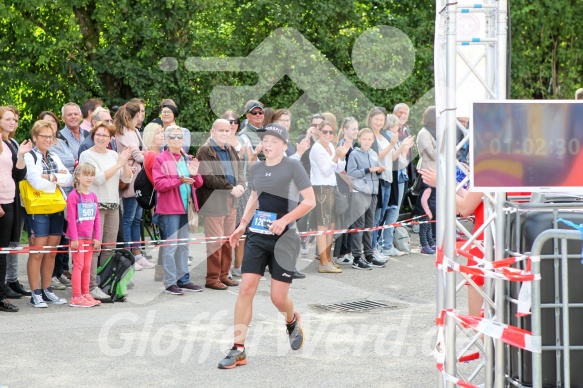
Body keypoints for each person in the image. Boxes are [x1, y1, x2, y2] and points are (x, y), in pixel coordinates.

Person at [219, 123, 315, 369]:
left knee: (277, 297)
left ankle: (292, 319)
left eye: (274, 141)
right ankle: (238, 348)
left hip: (285, 239)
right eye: (266, 141)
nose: (268, 145)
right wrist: (242, 225)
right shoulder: (257, 168)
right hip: (257, 235)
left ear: (284, 145)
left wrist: (284, 220)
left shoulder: (293, 166)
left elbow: (310, 201)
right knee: (246, 288)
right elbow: (254, 197)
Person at [79, 121, 132, 301]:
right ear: (93, 136)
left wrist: (124, 163)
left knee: (109, 247)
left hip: (113, 205)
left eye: (105, 135)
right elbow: (99, 179)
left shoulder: (113, 154)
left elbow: (126, 177)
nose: (101, 138)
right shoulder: (87, 155)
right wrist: (119, 163)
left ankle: (106, 282)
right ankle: (91, 285)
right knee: (95, 247)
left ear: (110, 138)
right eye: (98, 134)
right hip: (95, 206)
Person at [24, 120, 73, 307]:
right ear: (35, 137)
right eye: (43, 136)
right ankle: (35, 292)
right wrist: (56, 180)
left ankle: (47, 290)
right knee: (37, 252)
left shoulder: (54, 155)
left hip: (56, 207)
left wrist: (50, 177)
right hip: (38, 208)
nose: (47, 139)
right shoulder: (30, 156)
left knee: (51, 251)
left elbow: (68, 178)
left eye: (50, 136)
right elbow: (35, 182)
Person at [153, 125, 204, 295]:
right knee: (171, 247)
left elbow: (199, 183)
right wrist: (179, 180)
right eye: (172, 137)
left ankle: (184, 280)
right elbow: (159, 184)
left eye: (179, 137)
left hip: (186, 207)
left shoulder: (187, 158)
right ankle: (170, 283)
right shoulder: (161, 159)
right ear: (167, 140)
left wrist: (195, 175)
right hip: (169, 209)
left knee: (183, 246)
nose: (176, 140)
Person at [196, 119, 245, 290]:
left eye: (227, 130)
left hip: (232, 200)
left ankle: (224, 275)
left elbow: (240, 171)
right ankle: (212, 278)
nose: (225, 133)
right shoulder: (204, 150)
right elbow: (208, 177)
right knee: (215, 242)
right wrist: (231, 188)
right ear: (212, 132)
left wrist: (241, 185)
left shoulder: (231, 149)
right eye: (221, 130)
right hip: (214, 201)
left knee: (227, 240)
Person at [114, 102, 153, 269]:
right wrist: (149, 157)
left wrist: (145, 153)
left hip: (138, 176)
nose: (141, 116)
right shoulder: (124, 131)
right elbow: (138, 153)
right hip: (131, 176)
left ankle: (137, 253)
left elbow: (144, 149)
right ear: (134, 115)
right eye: (140, 114)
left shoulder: (135, 130)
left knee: (137, 218)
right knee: (129, 217)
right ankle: (128, 254)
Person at [0, 106, 31, 312]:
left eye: (16, 120)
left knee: (5, 249)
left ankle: (1, 292)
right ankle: (1, 296)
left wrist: (20, 155)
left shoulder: (11, 142)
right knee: (0, 252)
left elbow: (19, 175)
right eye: (9, 119)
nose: (13, 123)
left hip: (12, 200)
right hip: (1, 202)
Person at [42, 111, 76, 290]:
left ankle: (60, 270)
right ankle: (51, 275)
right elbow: (43, 174)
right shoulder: (43, 146)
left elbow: (69, 172)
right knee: (53, 238)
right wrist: (58, 175)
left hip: (68, 193)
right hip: (52, 196)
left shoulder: (62, 142)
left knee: (65, 236)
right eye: (47, 123)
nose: (51, 126)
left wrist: (60, 175)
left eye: (53, 123)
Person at [309, 120, 349, 273]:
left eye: (330, 132)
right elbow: (326, 171)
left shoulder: (331, 146)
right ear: (318, 131)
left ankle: (328, 259)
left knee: (331, 225)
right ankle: (323, 262)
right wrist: (336, 157)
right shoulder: (317, 149)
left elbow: (338, 168)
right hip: (320, 188)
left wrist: (342, 156)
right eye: (324, 131)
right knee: (323, 225)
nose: (328, 135)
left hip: (331, 187)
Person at [347, 128, 384, 270]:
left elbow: (375, 174)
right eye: (364, 139)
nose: (367, 142)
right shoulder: (354, 154)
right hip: (359, 193)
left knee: (370, 225)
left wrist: (379, 171)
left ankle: (369, 254)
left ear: (373, 141)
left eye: (369, 139)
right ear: (359, 140)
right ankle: (357, 257)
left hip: (373, 193)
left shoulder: (374, 154)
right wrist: (369, 170)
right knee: (359, 225)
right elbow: (351, 173)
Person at [66, 163, 103, 307]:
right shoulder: (73, 196)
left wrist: (97, 237)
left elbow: (97, 218)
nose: (89, 178)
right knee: (78, 266)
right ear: (78, 176)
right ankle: (76, 296)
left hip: (89, 238)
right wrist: (74, 239)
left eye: (91, 175)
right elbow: (71, 218)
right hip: (78, 239)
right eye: (86, 175)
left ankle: (85, 293)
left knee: (87, 266)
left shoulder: (93, 196)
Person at [221, 110, 252, 278]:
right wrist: (238, 157)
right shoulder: (217, 141)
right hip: (225, 190)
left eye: (235, 122)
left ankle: (238, 266)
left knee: (242, 228)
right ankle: (223, 267)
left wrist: (250, 155)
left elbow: (251, 164)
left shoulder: (244, 139)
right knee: (226, 229)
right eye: (229, 121)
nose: (232, 124)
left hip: (243, 187)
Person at [382, 114, 415, 256]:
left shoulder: (388, 138)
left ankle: (386, 245)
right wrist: (404, 148)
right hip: (397, 178)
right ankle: (387, 246)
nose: (399, 128)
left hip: (394, 177)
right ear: (393, 126)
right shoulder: (392, 138)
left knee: (387, 213)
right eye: (397, 125)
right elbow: (400, 162)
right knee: (392, 213)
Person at [368, 107, 395, 266]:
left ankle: (375, 247)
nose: (379, 122)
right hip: (377, 179)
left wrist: (401, 146)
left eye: (381, 120)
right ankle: (371, 250)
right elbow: (376, 156)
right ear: (370, 119)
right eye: (376, 119)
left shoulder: (384, 134)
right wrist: (392, 145)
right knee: (375, 216)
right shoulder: (369, 135)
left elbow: (392, 157)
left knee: (382, 216)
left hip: (388, 178)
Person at [333, 116, 359, 265]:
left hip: (351, 185)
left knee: (350, 218)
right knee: (343, 219)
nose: (356, 131)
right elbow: (340, 168)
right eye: (353, 129)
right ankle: (342, 252)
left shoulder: (353, 145)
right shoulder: (343, 145)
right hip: (344, 185)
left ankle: (348, 250)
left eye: (357, 128)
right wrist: (350, 182)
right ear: (345, 130)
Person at [417, 106, 438, 241]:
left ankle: (434, 237)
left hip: (437, 173)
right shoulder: (424, 133)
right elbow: (433, 154)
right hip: (427, 172)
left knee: (436, 205)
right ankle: (425, 241)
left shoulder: (437, 132)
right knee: (427, 205)